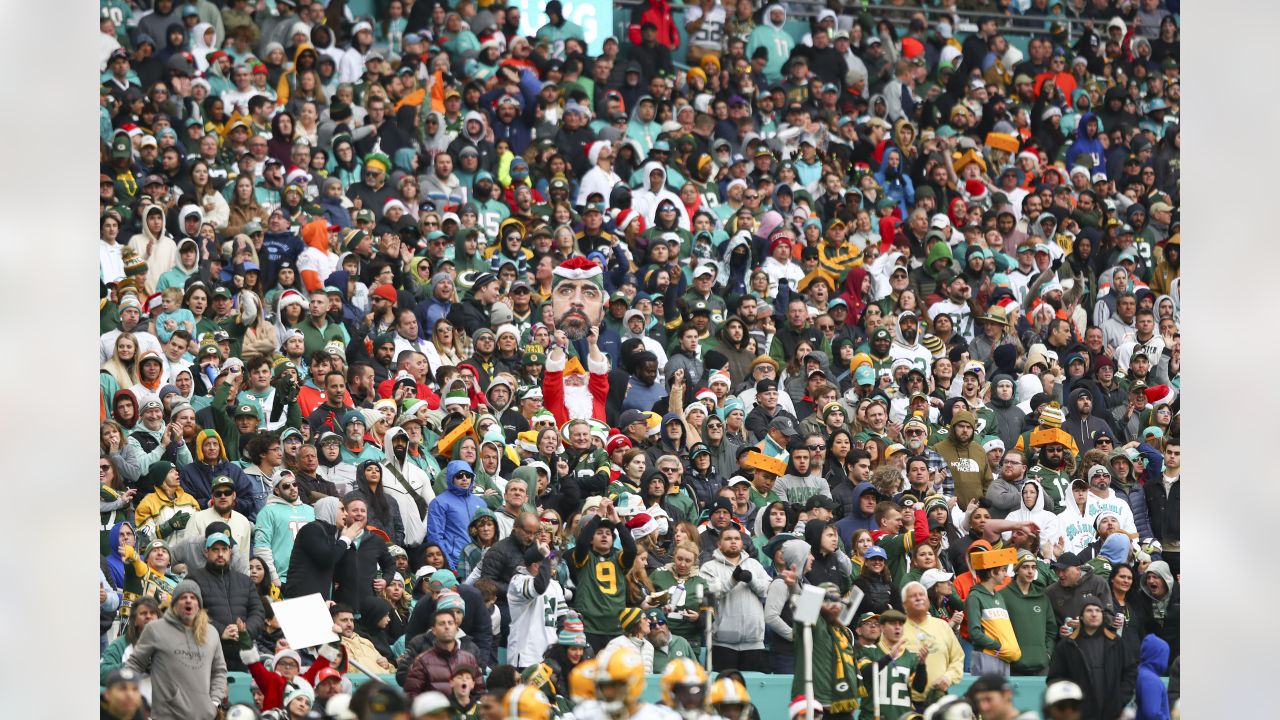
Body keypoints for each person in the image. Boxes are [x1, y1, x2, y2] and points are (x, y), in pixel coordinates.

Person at [125, 580, 228, 720]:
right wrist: (131, 700)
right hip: (166, 716)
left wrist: (214, 702)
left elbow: (219, 671)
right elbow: (134, 665)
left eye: (193, 597)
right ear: (174, 604)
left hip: (203, 716)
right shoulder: (155, 629)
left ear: (199, 604)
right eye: (183, 597)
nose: (188, 601)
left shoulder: (212, 633)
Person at [184, 529, 265, 671]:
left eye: (224, 549)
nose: (220, 554)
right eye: (215, 550)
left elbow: (258, 612)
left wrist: (244, 630)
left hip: (242, 654)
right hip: (207, 653)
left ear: (230, 552)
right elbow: (190, 612)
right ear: (206, 552)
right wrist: (220, 631)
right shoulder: (193, 579)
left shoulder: (244, 581)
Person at [1046, 598, 1137, 720]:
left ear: (1102, 615)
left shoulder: (1116, 642)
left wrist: (1119, 700)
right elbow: (1055, 679)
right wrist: (1070, 705)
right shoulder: (1066, 646)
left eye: (1098, 610)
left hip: (1112, 712)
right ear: (1081, 617)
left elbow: (1130, 672)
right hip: (1078, 713)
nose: (1094, 614)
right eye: (1089, 610)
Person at [568, 497, 637, 651]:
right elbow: (581, 543)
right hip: (589, 627)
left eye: (608, 533)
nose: (605, 536)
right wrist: (598, 514)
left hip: (616, 627)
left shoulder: (618, 559)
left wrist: (618, 522)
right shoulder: (584, 559)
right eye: (599, 533)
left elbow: (632, 550)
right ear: (592, 539)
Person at [699, 525, 769, 672]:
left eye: (737, 538)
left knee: (753, 692)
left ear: (742, 543)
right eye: (728, 539)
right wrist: (732, 580)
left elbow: (768, 590)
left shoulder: (754, 565)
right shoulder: (709, 567)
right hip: (722, 643)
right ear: (719, 544)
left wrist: (752, 580)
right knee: (723, 692)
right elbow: (709, 593)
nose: (733, 542)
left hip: (754, 642)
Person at [791, 583, 861, 720]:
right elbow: (804, 612)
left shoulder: (844, 632)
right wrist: (793, 587)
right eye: (827, 599)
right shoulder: (811, 627)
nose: (834, 603)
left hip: (844, 708)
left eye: (837, 599)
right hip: (820, 709)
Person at [403, 608, 488, 698]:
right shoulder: (422, 661)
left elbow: (480, 692)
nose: (447, 627)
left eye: (450, 623)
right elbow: (411, 695)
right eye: (442, 623)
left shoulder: (469, 659)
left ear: (456, 628)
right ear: (434, 631)